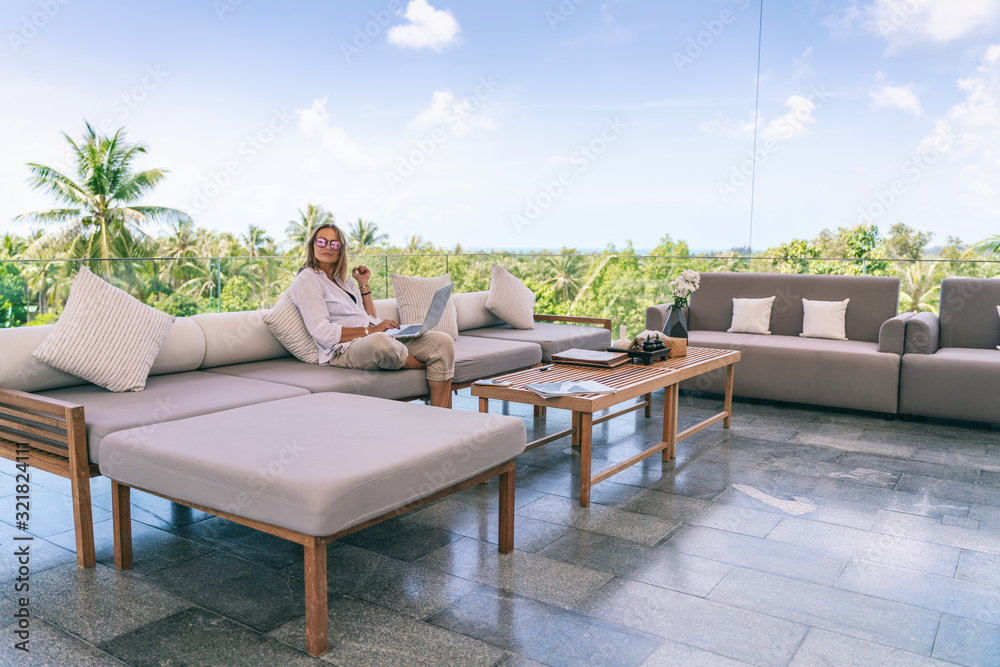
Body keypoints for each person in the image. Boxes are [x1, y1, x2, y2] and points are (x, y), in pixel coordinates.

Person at [288, 223, 455, 408]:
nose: (327, 247)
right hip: (344, 348)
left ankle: (440, 414)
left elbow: (369, 318)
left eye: (334, 244)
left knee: (442, 342)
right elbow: (322, 333)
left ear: (341, 251)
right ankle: (418, 364)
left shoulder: (345, 283)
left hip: (372, 336)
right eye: (321, 242)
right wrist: (372, 331)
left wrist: (363, 284)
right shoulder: (307, 279)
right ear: (312, 245)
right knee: (381, 343)